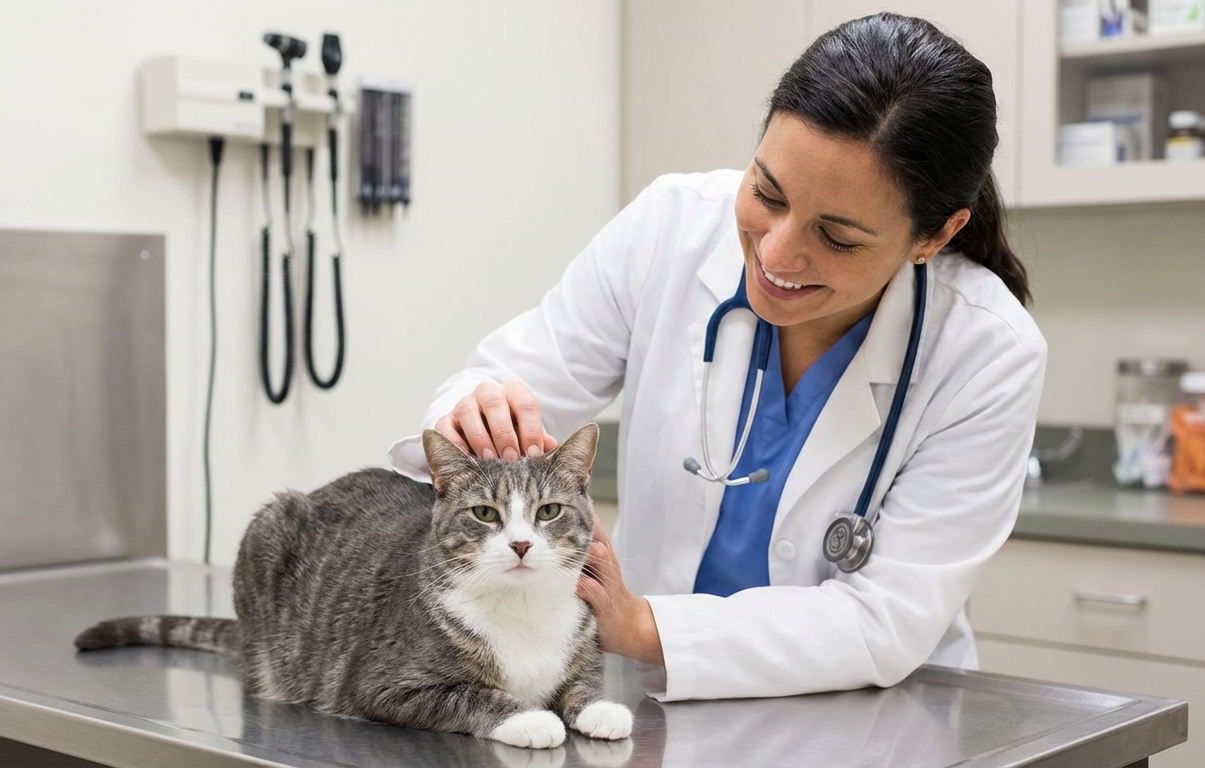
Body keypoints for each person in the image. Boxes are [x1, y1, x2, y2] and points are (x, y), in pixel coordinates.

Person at [388, 13, 1046, 702]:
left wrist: (644, 627)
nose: (776, 253)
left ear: (935, 235)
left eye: (838, 238)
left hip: (871, 721)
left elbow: (883, 621)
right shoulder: (669, 229)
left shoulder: (985, 352)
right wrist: (478, 411)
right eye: (768, 193)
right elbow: (508, 375)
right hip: (651, 715)